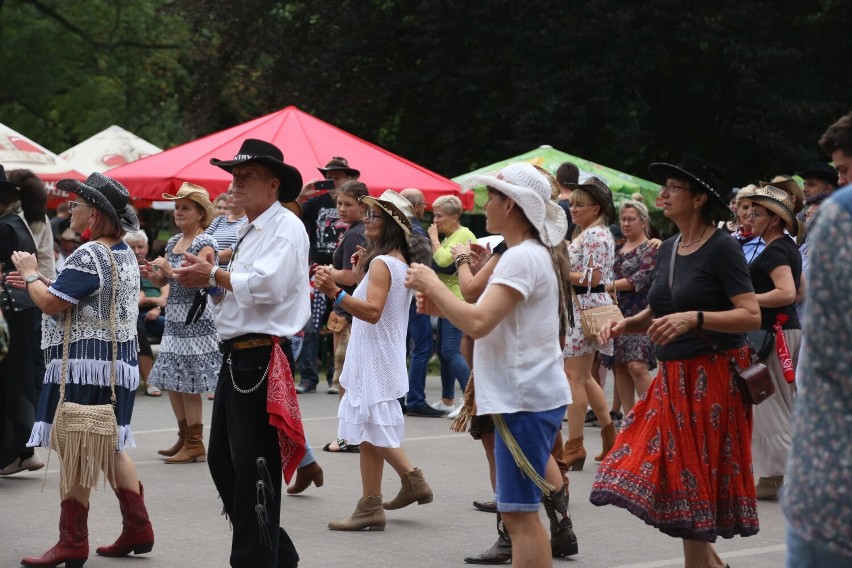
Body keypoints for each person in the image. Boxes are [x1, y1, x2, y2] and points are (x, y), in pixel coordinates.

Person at [591, 154, 761, 568]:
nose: (663, 194)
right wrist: (622, 326)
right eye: (664, 186)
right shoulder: (667, 248)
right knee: (672, 478)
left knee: (689, 484)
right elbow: (658, 311)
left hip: (713, 378)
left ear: (699, 198)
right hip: (671, 379)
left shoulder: (723, 248)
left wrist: (695, 318)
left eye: (673, 187)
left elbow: (751, 314)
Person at [406, 162, 574, 567]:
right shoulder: (527, 254)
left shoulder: (520, 258)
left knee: (520, 516)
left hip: (524, 400)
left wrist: (432, 284)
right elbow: (486, 316)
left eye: (494, 196)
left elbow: (478, 322)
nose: (486, 204)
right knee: (519, 514)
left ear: (512, 206)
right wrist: (444, 305)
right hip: (525, 397)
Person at [173, 138, 309, 567]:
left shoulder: (284, 226)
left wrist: (213, 273)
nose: (236, 184)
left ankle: (256, 560)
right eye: (234, 176)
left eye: (246, 177)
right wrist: (208, 281)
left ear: (273, 185)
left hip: (257, 355)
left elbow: (266, 287)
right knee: (225, 463)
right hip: (238, 354)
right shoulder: (250, 229)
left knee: (252, 468)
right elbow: (235, 295)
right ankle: (276, 553)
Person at [14, 172, 154, 566]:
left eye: (76, 204)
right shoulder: (122, 251)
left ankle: (72, 542)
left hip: (85, 365)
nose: (70, 209)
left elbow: (51, 304)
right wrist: (39, 282)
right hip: (116, 364)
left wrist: (29, 273)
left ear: (93, 212)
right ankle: (137, 526)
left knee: (77, 446)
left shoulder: (89, 254)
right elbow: (71, 293)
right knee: (110, 442)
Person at [314, 189, 434, 532]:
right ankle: (377, 500)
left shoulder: (383, 264)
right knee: (369, 432)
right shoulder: (392, 261)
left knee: (372, 429)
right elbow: (368, 289)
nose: (367, 220)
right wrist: (354, 272)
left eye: (374, 216)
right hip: (382, 354)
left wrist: (335, 294)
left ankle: (389, 493)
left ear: (392, 224)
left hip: (375, 355)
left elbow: (372, 311)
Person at [781, 114, 852, 567]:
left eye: (844, 171)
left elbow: (832, 360)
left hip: (835, 482)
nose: (836, 183)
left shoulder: (839, 218)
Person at [144, 183, 222, 464]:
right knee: (172, 378)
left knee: (188, 381)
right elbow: (164, 281)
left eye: (185, 207)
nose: (179, 212)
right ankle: (184, 434)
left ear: (201, 214)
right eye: (177, 207)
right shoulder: (173, 241)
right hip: (175, 317)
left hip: (196, 317)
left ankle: (195, 443)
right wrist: (154, 275)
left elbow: (201, 278)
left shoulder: (205, 242)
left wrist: (169, 271)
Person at [743, 185, 802, 501]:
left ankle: (788, 474)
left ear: (775, 218)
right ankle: (774, 476)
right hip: (781, 330)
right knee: (774, 400)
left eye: (758, 212)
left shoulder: (777, 250)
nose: (751, 216)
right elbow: (799, 292)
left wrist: (747, 299)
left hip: (774, 334)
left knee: (770, 401)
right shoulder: (784, 248)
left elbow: (787, 293)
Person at [561, 176, 618, 470]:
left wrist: (558, 269)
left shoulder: (594, 236)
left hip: (585, 307)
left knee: (574, 378)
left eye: (579, 205)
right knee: (583, 377)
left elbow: (593, 278)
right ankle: (610, 437)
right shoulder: (591, 233)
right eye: (572, 204)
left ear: (595, 209)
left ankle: (575, 446)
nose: (573, 209)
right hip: (588, 307)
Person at [295, 156, 358, 394]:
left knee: (341, 324)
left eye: (338, 176)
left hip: (345, 272)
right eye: (329, 177)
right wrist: (302, 195)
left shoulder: (357, 205)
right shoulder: (317, 201)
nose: (333, 181)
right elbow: (290, 214)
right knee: (310, 325)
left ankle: (336, 377)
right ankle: (309, 377)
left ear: (350, 178)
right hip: (317, 271)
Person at [318, 180, 369, 454]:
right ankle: (353, 434)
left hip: (348, 311)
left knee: (346, 378)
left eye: (348, 204)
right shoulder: (357, 231)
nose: (341, 209)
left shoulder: (354, 234)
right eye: (339, 203)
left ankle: (348, 436)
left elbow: (351, 276)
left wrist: (328, 272)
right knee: (350, 376)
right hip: (349, 311)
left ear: (362, 206)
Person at [0, 165, 43, 476]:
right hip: (24, 310)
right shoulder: (18, 224)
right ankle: (24, 450)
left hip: (8, 313)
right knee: (20, 379)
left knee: (8, 383)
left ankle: (11, 453)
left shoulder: (5, 227)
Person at [607, 200, 658, 414]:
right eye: (623, 219)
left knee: (637, 366)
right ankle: (629, 421)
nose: (626, 224)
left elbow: (639, 279)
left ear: (643, 222)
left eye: (631, 219)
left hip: (641, 315)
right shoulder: (617, 248)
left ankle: (653, 416)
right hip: (616, 313)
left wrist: (607, 285)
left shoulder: (651, 248)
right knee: (619, 366)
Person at [428, 195, 476, 414]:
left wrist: (434, 239)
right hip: (445, 301)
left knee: (450, 349)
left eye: (439, 216)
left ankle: (472, 400)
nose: (435, 220)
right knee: (443, 350)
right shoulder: (450, 236)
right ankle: (448, 400)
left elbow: (442, 260)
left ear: (455, 216)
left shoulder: (463, 234)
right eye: (434, 215)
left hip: (458, 300)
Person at [399, 187, 444, 418]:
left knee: (401, 347)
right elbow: (424, 269)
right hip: (415, 295)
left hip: (396, 296)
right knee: (423, 346)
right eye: (424, 204)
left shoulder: (395, 228)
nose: (426, 208)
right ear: (415, 206)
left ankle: (398, 398)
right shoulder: (416, 232)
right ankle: (416, 398)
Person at [123, 230, 164, 397]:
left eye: (140, 247)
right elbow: (142, 297)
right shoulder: (124, 264)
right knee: (137, 325)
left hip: (152, 314)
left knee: (174, 323)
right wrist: (153, 302)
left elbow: (165, 295)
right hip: (132, 314)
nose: (136, 251)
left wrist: (157, 307)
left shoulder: (155, 266)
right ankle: (149, 380)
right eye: (132, 247)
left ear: (147, 248)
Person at [206, 186, 247, 269]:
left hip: (230, 276)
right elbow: (203, 240)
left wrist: (207, 257)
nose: (232, 196)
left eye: (236, 193)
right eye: (229, 193)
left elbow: (238, 249)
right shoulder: (219, 220)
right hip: (209, 275)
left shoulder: (249, 222)